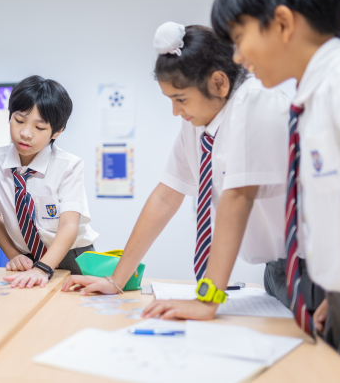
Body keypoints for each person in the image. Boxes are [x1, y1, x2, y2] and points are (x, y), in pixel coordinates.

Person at [62, 23, 298, 322]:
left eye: (181, 99)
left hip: (310, 266)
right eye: (170, 100)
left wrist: (207, 302)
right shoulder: (199, 122)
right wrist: (116, 280)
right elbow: (165, 196)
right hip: (277, 270)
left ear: (219, 84)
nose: (176, 112)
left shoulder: (256, 104)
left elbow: (236, 201)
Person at [209, 0, 340, 374]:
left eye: (240, 37)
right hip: (335, 300)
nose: (238, 55)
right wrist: (332, 301)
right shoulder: (308, 101)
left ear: (281, 22)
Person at [0, 76, 93, 289]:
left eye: (39, 127)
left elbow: (69, 225)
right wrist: (13, 254)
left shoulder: (69, 166)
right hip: (26, 257)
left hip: (71, 255)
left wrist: (44, 268)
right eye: (19, 121)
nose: (25, 134)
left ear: (57, 131)